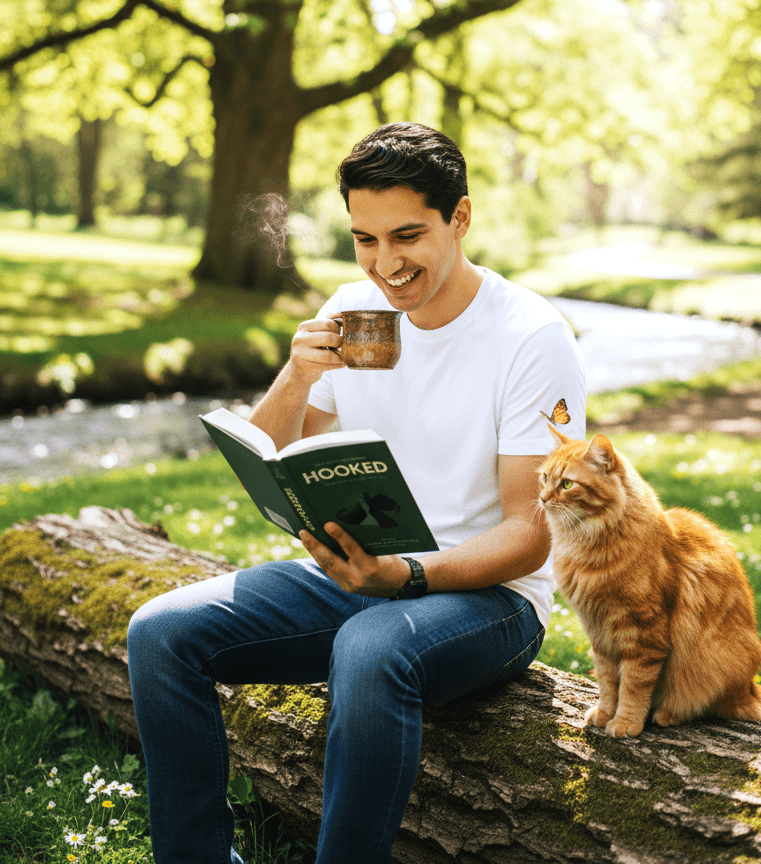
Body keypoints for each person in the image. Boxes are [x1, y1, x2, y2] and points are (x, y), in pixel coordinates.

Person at [127, 121, 586, 864]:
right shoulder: (353, 311)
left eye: (406, 236)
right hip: (361, 576)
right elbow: (273, 454)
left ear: (459, 218)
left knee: (369, 648)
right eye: (364, 240)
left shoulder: (531, 336)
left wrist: (403, 575)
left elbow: (529, 532)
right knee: (160, 633)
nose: (385, 263)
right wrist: (296, 375)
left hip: (492, 600)